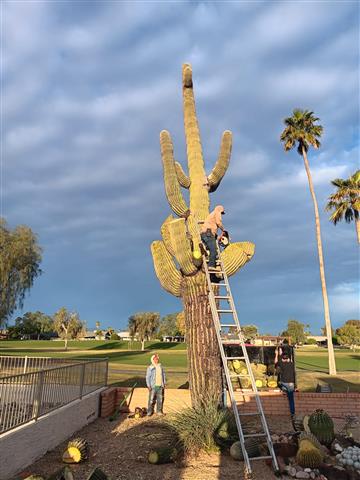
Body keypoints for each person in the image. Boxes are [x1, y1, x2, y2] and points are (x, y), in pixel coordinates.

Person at [200, 205, 226, 271]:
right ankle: (211, 266)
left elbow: (212, 231)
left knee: (211, 249)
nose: (221, 214)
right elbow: (218, 222)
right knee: (214, 250)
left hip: (205, 234)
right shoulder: (217, 212)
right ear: (220, 210)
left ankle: (206, 263)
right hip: (208, 234)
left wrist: (218, 237)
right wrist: (223, 230)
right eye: (222, 212)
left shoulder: (212, 215)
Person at [275, 344, 296, 421]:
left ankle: (283, 390)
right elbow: (290, 359)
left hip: (284, 383)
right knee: (291, 400)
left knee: (280, 383)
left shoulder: (281, 364)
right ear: (288, 359)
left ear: (283, 359)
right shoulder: (291, 364)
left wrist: (277, 353)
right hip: (291, 384)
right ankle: (292, 413)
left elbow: (277, 360)